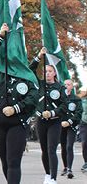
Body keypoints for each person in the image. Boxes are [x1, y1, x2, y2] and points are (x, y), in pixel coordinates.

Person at [0, 23, 39, 184]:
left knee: (14, 162)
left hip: (18, 122)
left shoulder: (28, 76)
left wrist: (16, 108)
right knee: (5, 163)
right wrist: (0, 37)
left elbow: (33, 98)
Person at [29, 47, 68, 184]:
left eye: (50, 71)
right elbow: (30, 69)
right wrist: (39, 56)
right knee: (44, 150)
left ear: (55, 73)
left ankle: (53, 178)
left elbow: (64, 106)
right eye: (45, 71)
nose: (47, 73)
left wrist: (52, 112)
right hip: (41, 121)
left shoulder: (60, 87)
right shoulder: (40, 85)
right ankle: (47, 174)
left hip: (54, 122)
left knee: (51, 149)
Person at [60, 79, 82, 179]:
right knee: (63, 147)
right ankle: (65, 167)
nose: (66, 86)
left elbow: (78, 113)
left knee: (69, 146)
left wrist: (69, 122)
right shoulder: (60, 98)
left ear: (72, 87)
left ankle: (69, 168)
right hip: (60, 126)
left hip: (71, 126)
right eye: (64, 84)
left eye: (68, 84)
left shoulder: (76, 99)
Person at [78, 86, 87, 172]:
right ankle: (86, 162)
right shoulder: (82, 99)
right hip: (84, 124)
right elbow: (79, 110)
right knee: (84, 143)